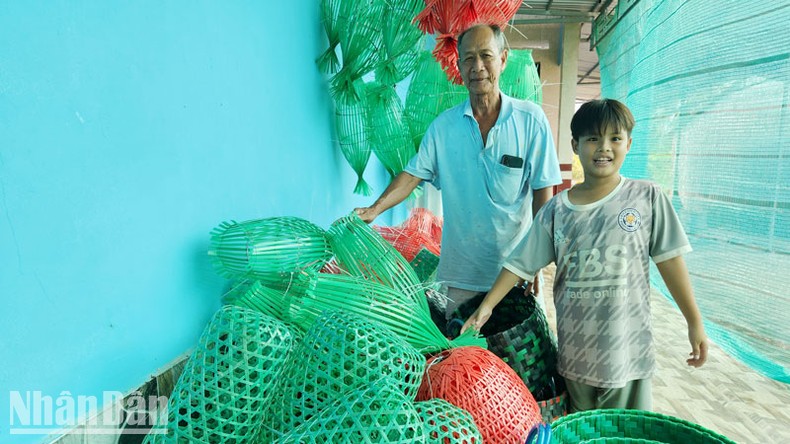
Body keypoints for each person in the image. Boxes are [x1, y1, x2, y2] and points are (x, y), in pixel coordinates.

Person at [461, 99, 708, 412]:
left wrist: (694, 321)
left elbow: (670, 261)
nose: (604, 148)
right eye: (593, 138)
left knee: (625, 431)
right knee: (582, 429)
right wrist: (486, 307)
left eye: (615, 138)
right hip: (577, 357)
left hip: (628, 355)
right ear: (575, 145)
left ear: (629, 144)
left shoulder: (646, 198)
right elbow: (520, 263)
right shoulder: (557, 210)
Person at [355, 24, 562, 320]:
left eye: (486, 56)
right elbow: (412, 174)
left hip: (514, 276)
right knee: (462, 348)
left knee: (518, 348)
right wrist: (375, 209)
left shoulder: (531, 120)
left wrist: (535, 260)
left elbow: (543, 194)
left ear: (503, 59)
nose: (477, 67)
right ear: (459, 66)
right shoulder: (443, 127)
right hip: (461, 279)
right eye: (468, 58)